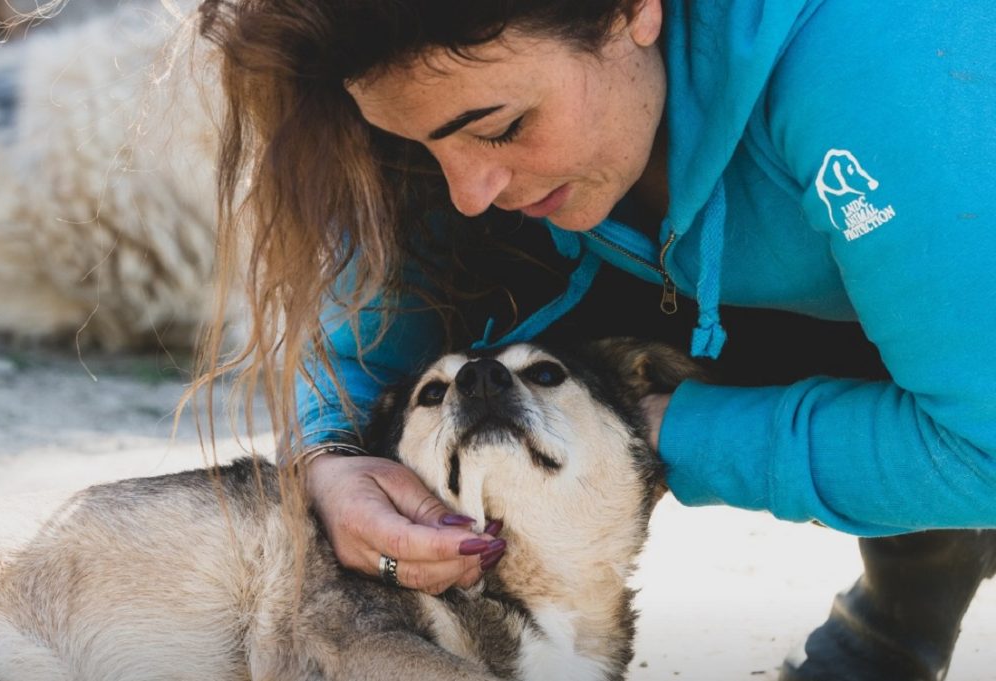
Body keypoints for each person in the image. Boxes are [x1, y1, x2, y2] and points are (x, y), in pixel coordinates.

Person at [196, 0, 996, 678]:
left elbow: (984, 438)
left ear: (633, 11)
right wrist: (328, 464)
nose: (467, 192)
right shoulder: (457, 110)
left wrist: (656, 431)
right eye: (420, 144)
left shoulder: (878, 61)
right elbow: (353, 363)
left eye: (503, 127)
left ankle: (900, 614)